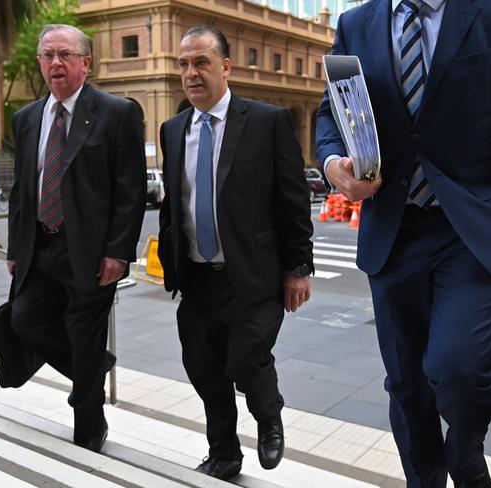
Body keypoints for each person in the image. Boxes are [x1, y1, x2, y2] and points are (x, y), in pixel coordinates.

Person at [316, 1, 491, 486]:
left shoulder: (484, 12)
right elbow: (332, 110)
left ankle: (466, 461)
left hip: (469, 229)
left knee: (458, 368)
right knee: (406, 382)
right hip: (393, 228)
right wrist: (334, 165)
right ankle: (425, 479)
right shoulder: (356, 24)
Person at [158, 25, 314, 481]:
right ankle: (224, 453)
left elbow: (293, 199)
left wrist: (298, 267)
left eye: (201, 62)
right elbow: (175, 202)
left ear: (225, 67)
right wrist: (170, 262)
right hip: (197, 276)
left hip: (254, 274)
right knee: (204, 370)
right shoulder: (172, 130)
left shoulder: (267, 122)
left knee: (245, 359)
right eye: (184, 64)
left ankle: (268, 414)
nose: (191, 73)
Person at [7, 24, 146, 453]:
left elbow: (130, 190)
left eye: (65, 54)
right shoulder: (27, 118)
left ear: (86, 62)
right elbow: (22, 189)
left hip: (90, 251)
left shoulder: (117, 112)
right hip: (41, 246)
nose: (55, 63)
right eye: (47, 55)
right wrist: (15, 248)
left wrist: (118, 253)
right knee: (22, 319)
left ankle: (89, 429)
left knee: (85, 335)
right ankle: (92, 369)